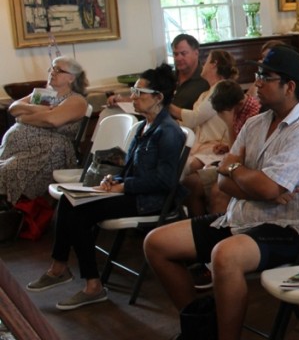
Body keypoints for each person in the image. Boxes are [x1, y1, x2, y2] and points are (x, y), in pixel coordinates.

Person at [143, 46, 299, 340]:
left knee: (224, 255)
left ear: (290, 86)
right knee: (156, 243)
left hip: (286, 228)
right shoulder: (258, 122)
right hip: (241, 216)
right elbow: (226, 182)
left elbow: (270, 189)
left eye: (265, 77)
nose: (256, 83)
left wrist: (244, 177)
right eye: (258, 74)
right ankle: (201, 333)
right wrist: (245, 178)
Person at [27, 64, 186, 311]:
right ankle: (60, 267)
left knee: (80, 213)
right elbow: (131, 168)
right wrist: (114, 181)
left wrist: (124, 187)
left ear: (158, 98)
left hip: (149, 200)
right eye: (133, 90)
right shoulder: (144, 125)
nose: (132, 97)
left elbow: (164, 181)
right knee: (69, 200)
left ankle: (91, 285)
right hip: (133, 191)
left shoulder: (168, 131)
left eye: (139, 92)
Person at [0, 56, 89, 204]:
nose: (52, 72)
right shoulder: (44, 95)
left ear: (71, 78)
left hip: (46, 154)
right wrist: (38, 109)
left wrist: (23, 118)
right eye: (52, 68)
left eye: (58, 70)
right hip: (18, 152)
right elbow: (14, 107)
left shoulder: (76, 100)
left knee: (4, 173)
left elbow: (52, 120)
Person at [181, 80, 247, 218]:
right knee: (189, 183)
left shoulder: (251, 113)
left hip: (242, 168)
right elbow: (236, 147)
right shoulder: (236, 108)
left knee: (219, 189)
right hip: (233, 164)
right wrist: (226, 147)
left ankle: (215, 233)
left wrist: (229, 124)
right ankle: (198, 228)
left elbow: (241, 155)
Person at [106, 34, 206, 111]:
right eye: (175, 54)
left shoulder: (205, 79)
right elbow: (146, 98)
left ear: (196, 53)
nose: (178, 58)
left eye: (183, 54)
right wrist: (121, 100)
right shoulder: (167, 76)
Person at [171, 49, 238, 135]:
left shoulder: (221, 89)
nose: (203, 64)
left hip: (215, 145)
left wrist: (168, 106)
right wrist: (174, 123)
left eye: (206, 61)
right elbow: (197, 125)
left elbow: (196, 117)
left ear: (214, 64)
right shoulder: (208, 92)